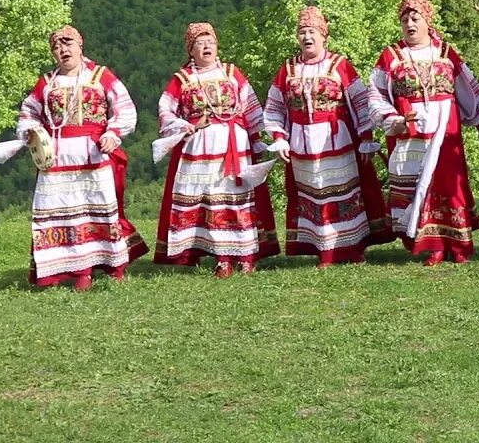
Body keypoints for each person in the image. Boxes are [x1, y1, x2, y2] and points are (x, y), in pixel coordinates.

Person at [14, 25, 148, 290]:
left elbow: (125, 109)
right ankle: (77, 270)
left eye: (68, 44)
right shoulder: (47, 83)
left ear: (80, 46)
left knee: (95, 210)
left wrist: (113, 133)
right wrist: (31, 132)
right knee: (66, 213)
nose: (63, 50)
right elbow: (28, 112)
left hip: (93, 154)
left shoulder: (101, 76)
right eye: (57, 47)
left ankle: (112, 265)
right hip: (58, 158)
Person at [369, 0, 479, 266]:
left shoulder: (446, 53)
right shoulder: (391, 55)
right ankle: (432, 245)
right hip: (410, 130)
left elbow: (467, 92)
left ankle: (457, 243)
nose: (410, 24)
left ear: (428, 21)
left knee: (448, 184)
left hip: (445, 128)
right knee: (416, 185)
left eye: (415, 19)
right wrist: (393, 119)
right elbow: (376, 94)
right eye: (404, 20)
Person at [264, 6, 392, 268]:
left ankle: (352, 247)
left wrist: (366, 136)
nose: (307, 37)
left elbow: (359, 101)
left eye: (312, 32)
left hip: (337, 139)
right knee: (314, 194)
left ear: (324, 36)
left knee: (344, 193)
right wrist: (279, 136)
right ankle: (324, 249)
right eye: (302, 32)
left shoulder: (339, 65)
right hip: (302, 141)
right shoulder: (287, 70)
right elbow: (275, 106)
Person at [154, 23, 280, 277]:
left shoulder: (232, 73)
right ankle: (222, 257)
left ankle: (246, 256)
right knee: (211, 200)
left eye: (210, 41)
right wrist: (188, 125)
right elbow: (165, 111)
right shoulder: (182, 79)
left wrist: (263, 138)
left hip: (234, 144)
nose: (206, 46)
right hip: (200, 148)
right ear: (191, 50)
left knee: (236, 197)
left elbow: (252, 107)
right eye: (200, 43)